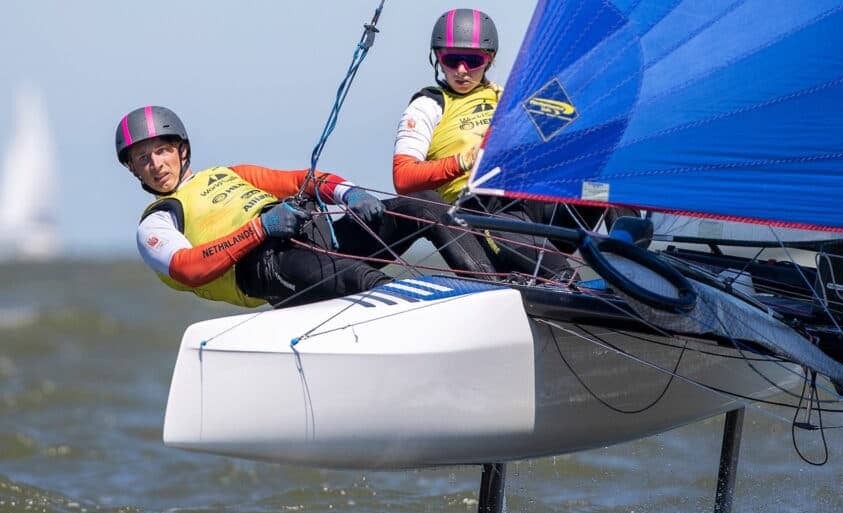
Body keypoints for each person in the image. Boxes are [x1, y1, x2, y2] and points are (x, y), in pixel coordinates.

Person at [117, 105, 493, 308]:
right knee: (365, 282)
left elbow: (301, 180)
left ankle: (498, 292)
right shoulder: (157, 222)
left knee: (423, 205)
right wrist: (260, 229)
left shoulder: (228, 173)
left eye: (162, 151)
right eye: (143, 158)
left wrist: (347, 194)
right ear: (133, 168)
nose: (156, 164)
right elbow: (188, 269)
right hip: (268, 267)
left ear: (181, 150)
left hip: (314, 233)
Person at [392, 9, 636, 279]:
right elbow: (404, 178)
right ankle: (566, 284)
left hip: (535, 204)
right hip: (482, 215)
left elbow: (575, 137)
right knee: (561, 275)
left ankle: (636, 263)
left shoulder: (509, 97)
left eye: (473, 60)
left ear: (489, 59)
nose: (461, 70)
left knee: (605, 177)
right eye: (451, 59)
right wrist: (466, 160)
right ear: (438, 57)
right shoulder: (428, 105)